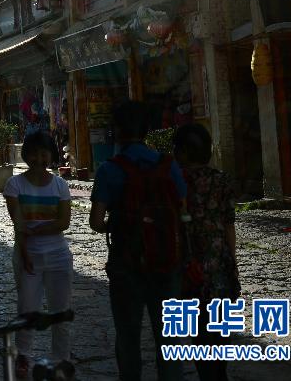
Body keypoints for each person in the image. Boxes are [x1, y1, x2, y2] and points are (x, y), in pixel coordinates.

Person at [89, 101, 187, 381]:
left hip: (127, 264)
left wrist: (122, 224)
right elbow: (182, 208)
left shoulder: (110, 170)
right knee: (169, 339)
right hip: (167, 262)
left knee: (128, 335)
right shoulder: (168, 166)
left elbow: (96, 222)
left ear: (116, 131)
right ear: (146, 130)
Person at [173, 124, 240, 381]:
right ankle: (219, 374)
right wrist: (232, 261)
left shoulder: (177, 181)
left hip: (189, 264)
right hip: (219, 259)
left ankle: (209, 375)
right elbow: (228, 224)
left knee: (198, 330)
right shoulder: (220, 180)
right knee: (220, 328)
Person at [3, 131, 72, 376]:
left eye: (44, 153)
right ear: (26, 155)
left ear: (51, 155)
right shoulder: (15, 185)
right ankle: (24, 355)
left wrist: (37, 229)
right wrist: (24, 250)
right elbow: (18, 223)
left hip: (58, 255)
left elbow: (64, 222)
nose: (39, 158)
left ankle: (62, 357)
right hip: (27, 255)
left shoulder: (60, 185)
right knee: (27, 307)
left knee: (60, 309)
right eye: (34, 153)